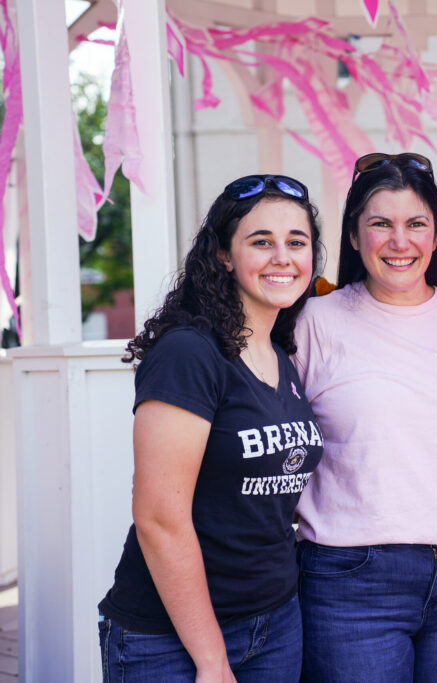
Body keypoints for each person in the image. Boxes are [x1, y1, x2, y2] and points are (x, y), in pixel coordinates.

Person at [98, 174, 325, 681]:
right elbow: (159, 518)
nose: (282, 257)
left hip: (275, 622)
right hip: (171, 639)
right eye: (260, 241)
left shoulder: (280, 352)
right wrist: (211, 660)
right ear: (223, 255)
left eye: (297, 242)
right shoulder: (189, 353)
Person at [292, 152, 437, 683]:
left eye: (416, 224)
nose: (399, 241)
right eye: (380, 223)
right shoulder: (314, 321)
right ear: (354, 238)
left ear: (435, 234)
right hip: (350, 578)